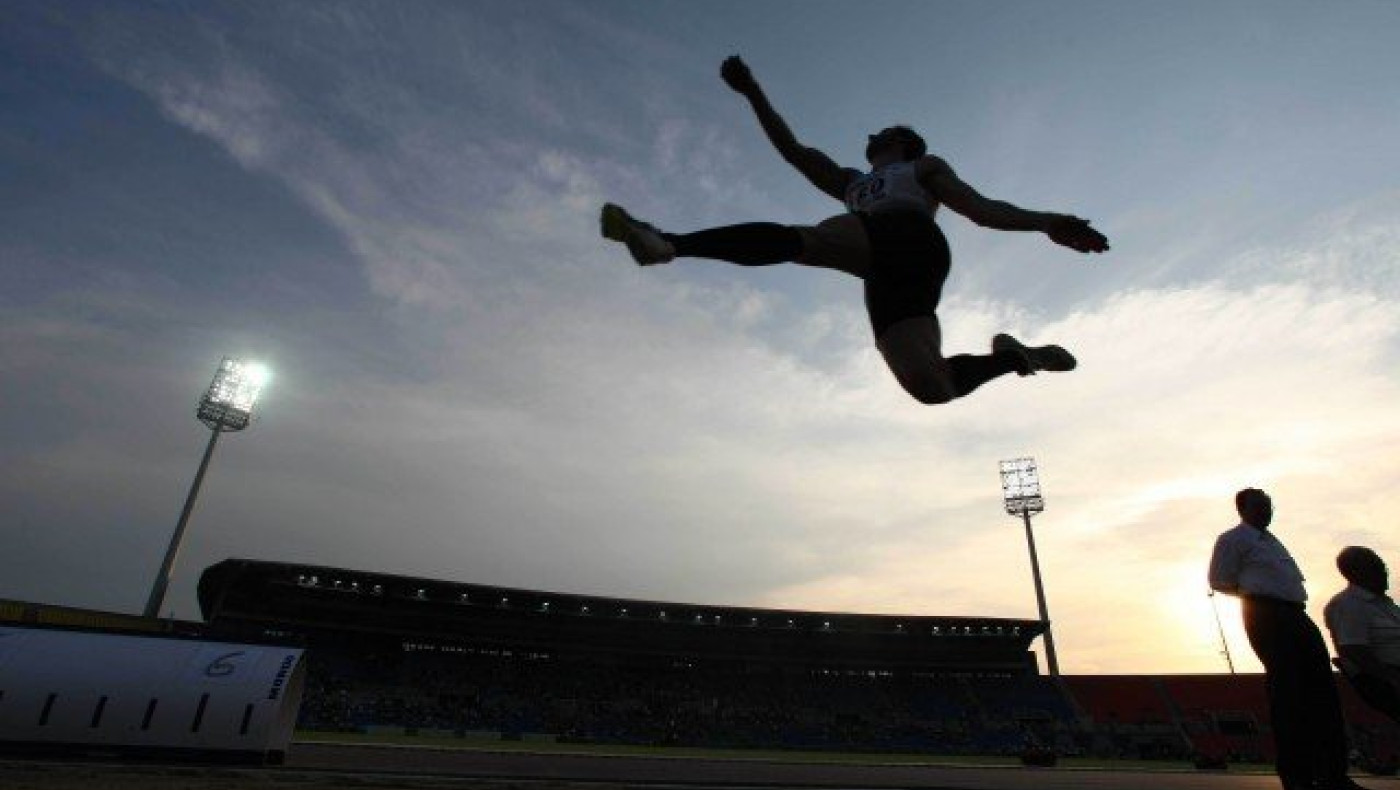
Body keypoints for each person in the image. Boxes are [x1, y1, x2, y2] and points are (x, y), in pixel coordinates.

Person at [600, 56, 1109, 405]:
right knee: (930, 386)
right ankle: (1016, 359)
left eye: (881, 133)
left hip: (910, 241)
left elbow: (977, 207)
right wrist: (753, 94)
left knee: (810, 240)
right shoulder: (851, 183)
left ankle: (668, 242)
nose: (869, 136)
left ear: (903, 143)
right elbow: (794, 152)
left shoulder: (922, 168)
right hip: (881, 271)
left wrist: (1046, 222)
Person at [1208, 488, 1364, 790]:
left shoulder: (1271, 541)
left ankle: (1333, 773)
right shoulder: (1234, 539)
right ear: (1243, 509)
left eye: (1270, 506)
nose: (1268, 511)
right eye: (1261, 506)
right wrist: (1256, 596)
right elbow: (1219, 580)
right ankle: (1297, 776)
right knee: (1289, 694)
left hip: (1295, 612)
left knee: (1323, 692)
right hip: (1267, 614)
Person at [1324, 546, 1400, 720]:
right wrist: (1392, 678)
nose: (1384, 572)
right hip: (1387, 679)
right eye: (1378, 567)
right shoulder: (1349, 605)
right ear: (1356, 573)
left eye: (1383, 567)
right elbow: (1353, 650)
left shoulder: (1387, 605)